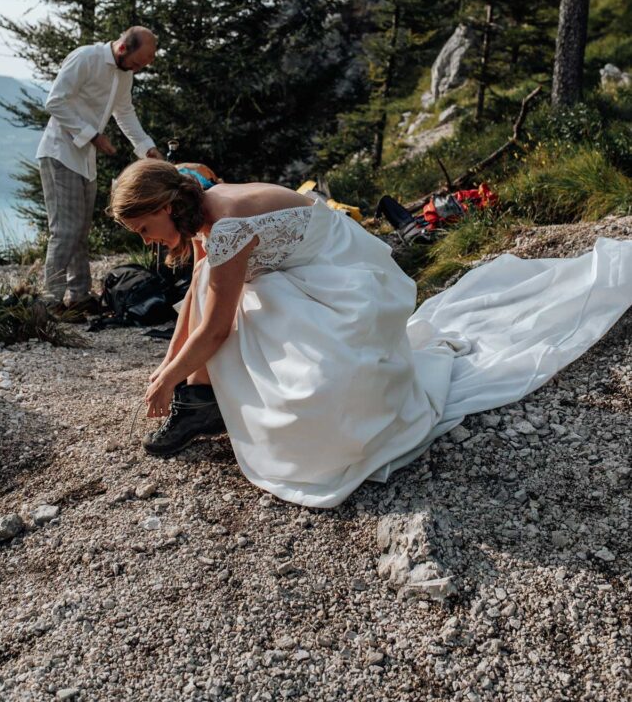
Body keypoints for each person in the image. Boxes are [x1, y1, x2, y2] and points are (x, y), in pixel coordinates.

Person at [108, 159, 632, 509]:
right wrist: (169, 371)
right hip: (312, 262)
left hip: (344, 276)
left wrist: (166, 377)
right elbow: (201, 286)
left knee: (265, 337)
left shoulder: (227, 227)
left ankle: (199, 400)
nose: (146, 241)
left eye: (142, 228)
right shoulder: (189, 179)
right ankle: (199, 403)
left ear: (165, 206)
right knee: (219, 293)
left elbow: (215, 325)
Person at [37, 27, 163, 317]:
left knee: (80, 229)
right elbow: (55, 101)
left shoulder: (124, 74)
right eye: (137, 62)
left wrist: (146, 148)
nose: (139, 69)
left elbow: (125, 112)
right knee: (64, 230)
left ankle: (80, 296)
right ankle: (49, 300)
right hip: (59, 153)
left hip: (85, 160)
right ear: (122, 49)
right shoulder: (85, 58)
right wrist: (92, 135)